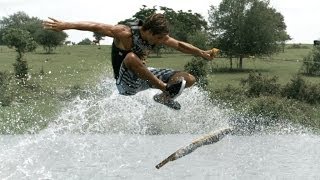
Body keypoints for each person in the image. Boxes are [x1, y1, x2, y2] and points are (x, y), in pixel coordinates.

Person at [43, 13, 217, 110]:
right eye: (158, 38)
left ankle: (164, 97)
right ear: (147, 31)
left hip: (145, 76)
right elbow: (95, 26)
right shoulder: (125, 33)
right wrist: (67, 25)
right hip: (125, 83)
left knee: (188, 79)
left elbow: (179, 45)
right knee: (131, 57)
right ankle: (165, 89)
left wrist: (202, 53)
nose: (159, 42)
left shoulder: (158, 37)